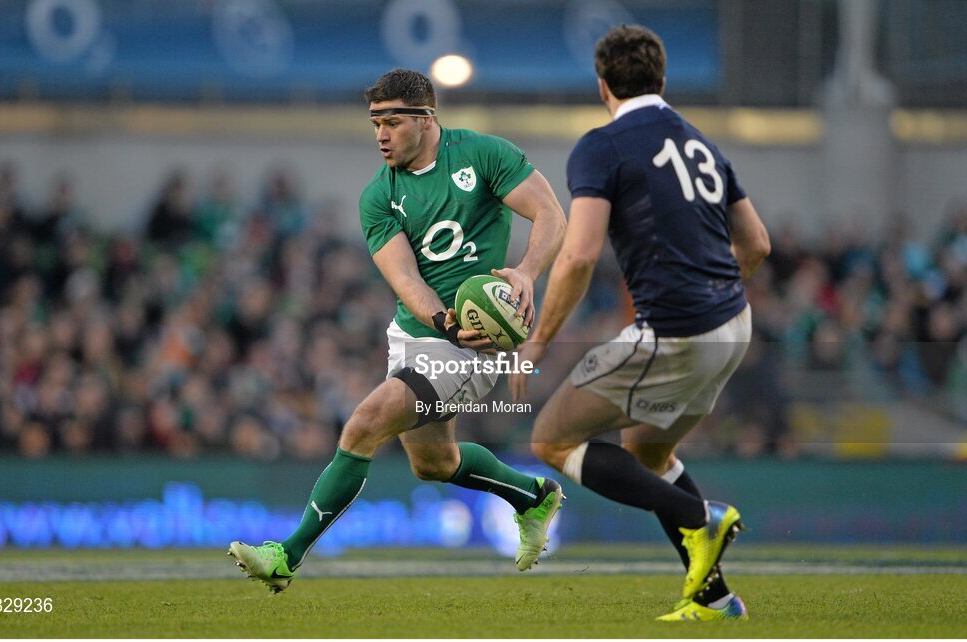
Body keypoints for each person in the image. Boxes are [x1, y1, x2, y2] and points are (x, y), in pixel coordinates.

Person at [229, 68, 568, 593]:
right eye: (374, 123)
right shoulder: (377, 197)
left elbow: (549, 213)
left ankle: (286, 554)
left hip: (477, 344)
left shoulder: (483, 155)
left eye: (392, 121)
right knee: (434, 464)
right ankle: (533, 496)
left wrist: (525, 272)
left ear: (426, 118)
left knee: (364, 422)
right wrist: (441, 321)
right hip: (423, 333)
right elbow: (404, 276)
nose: (381, 134)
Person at [509, 25, 770, 622]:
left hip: (675, 330)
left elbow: (577, 256)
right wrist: (712, 292)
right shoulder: (702, 143)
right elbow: (756, 243)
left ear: (603, 85)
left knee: (551, 438)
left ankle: (701, 517)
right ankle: (714, 598)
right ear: (663, 81)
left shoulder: (602, 146)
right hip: (733, 325)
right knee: (646, 453)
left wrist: (539, 340)